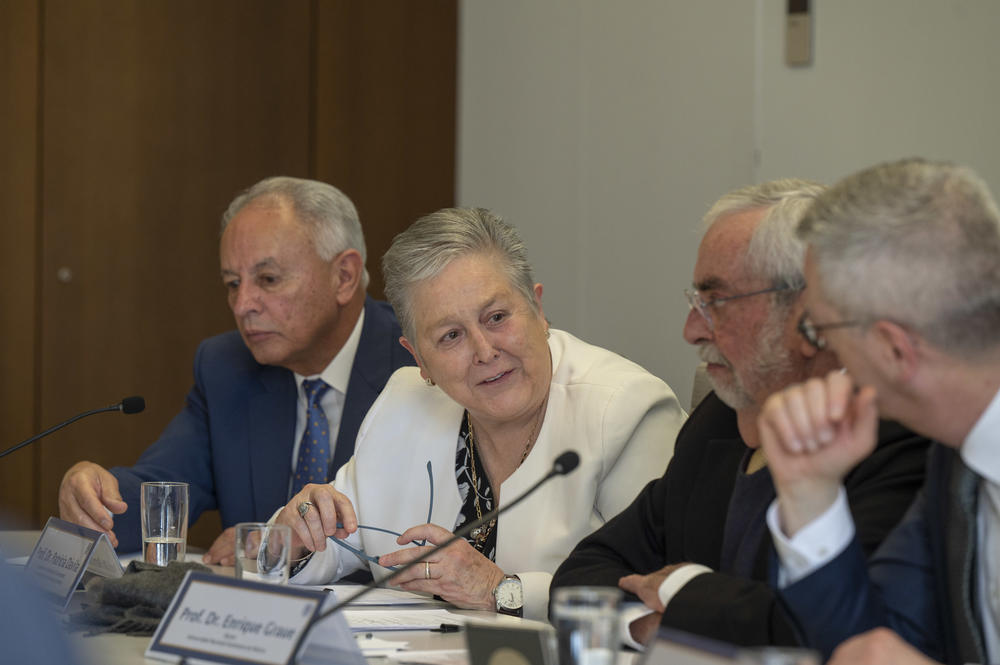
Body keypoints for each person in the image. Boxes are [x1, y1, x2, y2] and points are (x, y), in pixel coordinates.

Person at [550, 180, 930, 648]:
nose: (691, 330)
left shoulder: (898, 436)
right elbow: (581, 577)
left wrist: (680, 589)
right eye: (696, 303)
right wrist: (649, 627)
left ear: (808, 312)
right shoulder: (719, 421)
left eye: (716, 302)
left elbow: (829, 629)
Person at [275, 207, 686, 620]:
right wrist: (297, 534)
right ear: (419, 358)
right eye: (451, 336)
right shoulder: (404, 401)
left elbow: (660, 587)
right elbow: (331, 547)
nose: (486, 352)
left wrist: (502, 591)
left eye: (497, 317)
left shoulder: (626, 409)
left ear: (538, 309)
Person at [57, 177, 415, 563]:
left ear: (343, 276)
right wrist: (94, 497)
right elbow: (160, 496)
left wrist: (276, 543)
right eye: (232, 283)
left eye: (268, 279)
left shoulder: (420, 364)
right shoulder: (227, 368)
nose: (243, 304)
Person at [758, 158, 1000, 665]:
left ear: (895, 351)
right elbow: (871, 644)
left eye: (821, 331)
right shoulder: (953, 457)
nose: (824, 355)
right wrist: (811, 494)